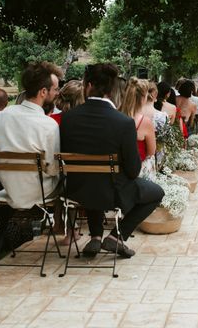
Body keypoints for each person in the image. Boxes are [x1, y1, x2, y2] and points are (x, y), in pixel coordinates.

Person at [60, 63, 164, 258]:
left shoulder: (68, 119)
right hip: (112, 193)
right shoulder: (123, 123)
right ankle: (117, 236)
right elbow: (133, 171)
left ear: (88, 86)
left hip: (77, 190)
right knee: (156, 192)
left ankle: (96, 237)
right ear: (112, 90)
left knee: (93, 179)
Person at [0, 62, 63, 242]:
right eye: (53, 90)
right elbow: (53, 169)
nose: (56, 93)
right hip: (39, 192)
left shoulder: (6, 114)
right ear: (43, 92)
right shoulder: (48, 124)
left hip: (8, 188)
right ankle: (62, 229)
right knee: (67, 180)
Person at [120, 77, 157, 163]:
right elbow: (151, 151)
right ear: (143, 98)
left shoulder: (115, 115)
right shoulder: (145, 122)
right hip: (137, 169)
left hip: (116, 168)